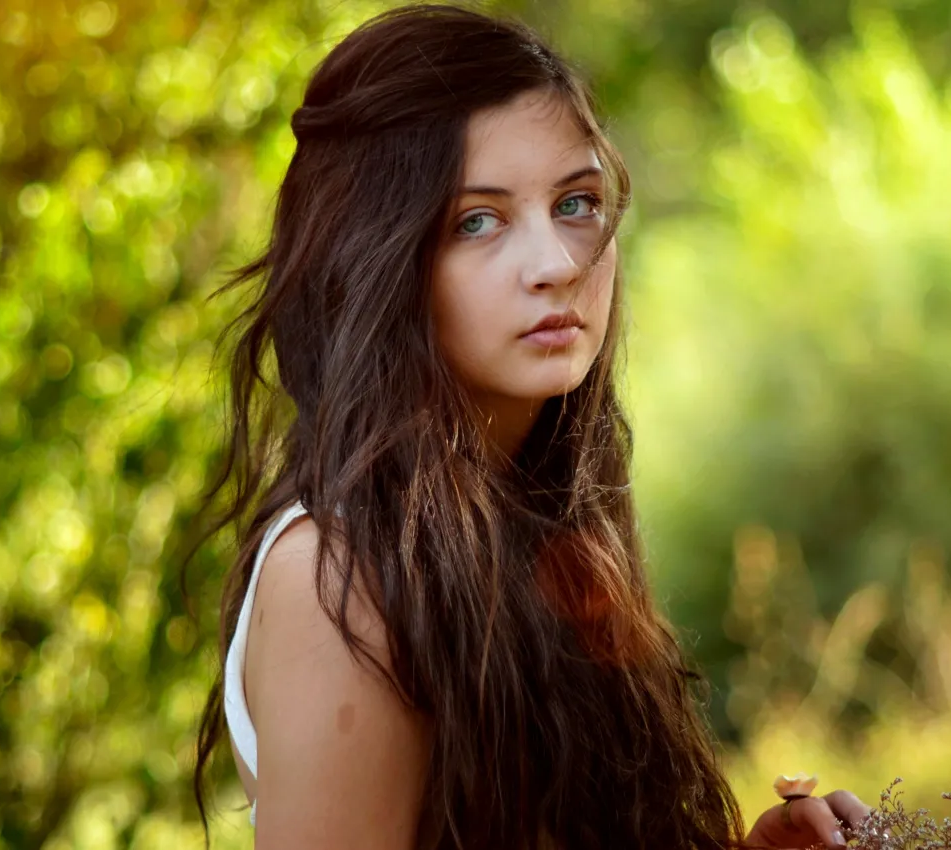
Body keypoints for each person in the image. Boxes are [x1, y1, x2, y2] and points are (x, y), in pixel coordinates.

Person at [190, 4, 871, 848]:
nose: (555, 265)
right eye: (477, 221)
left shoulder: (544, 529)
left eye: (577, 204)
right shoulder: (342, 577)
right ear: (375, 256)